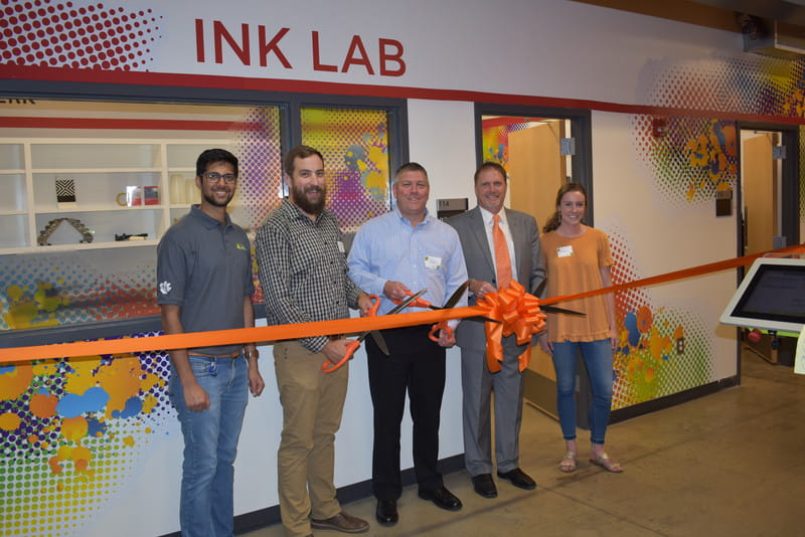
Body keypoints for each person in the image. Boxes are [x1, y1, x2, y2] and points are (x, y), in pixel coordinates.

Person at [255, 145, 371, 537]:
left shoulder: (330, 222)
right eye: (305, 174)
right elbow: (279, 301)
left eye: (319, 173)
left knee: (324, 436)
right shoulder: (275, 229)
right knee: (298, 442)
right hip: (301, 352)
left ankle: (325, 509)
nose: (314, 181)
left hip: (336, 348)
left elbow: (340, 277)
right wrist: (324, 342)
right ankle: (297, 525)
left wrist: (360, 297)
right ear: (289, 181)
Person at [347, 162, 468, 527]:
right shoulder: (372, 231)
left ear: (428, 190)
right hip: (387, 337)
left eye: (421, 185)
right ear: (395, 190)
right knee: (388, 419)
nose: (414, 190)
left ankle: (430, 483)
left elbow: (458, 286)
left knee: (428, 415)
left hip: (431, 335)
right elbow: (353, 270)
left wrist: (451, 324)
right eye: (407, 185)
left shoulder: (447, 235)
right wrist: (384, 285)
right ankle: (387, 493)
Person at [157, 148, 265, 537]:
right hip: (200, 367)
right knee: (201, 466)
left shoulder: (239, 237)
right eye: (214, 176)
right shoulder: (179, 237)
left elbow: (244, 300)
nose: (222, 183)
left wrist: (252, 361)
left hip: (236, 367)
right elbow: (170, 313)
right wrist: (187, 379)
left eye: (229, 177)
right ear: (199, 181)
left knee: (224, 460)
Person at [446, 161, 544, 499]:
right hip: (477, 331)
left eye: (498, 183)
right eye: (485, 184)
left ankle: (509, 463)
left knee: (511, 399)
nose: (492, 189)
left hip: (516, 329)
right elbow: (449, 277)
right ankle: (479, 467)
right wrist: (471, 285)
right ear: (476, 188)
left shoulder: (526, 223)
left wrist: (527, 309)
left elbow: (539, 274)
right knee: (475, 400)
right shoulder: (456, 227)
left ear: (506, 185)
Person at [538, 182, 623, 474]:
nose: (574, 210)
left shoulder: (598, 238)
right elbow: (542, 288)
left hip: (597, 325)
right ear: (559, 207)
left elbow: (607, 284)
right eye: (568, 204)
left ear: (584, 208)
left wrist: (613, 325)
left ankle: (598, 448)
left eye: (579, 205)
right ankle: (570, 449)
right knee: (564, 388)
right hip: (560, 327)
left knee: (603, 390)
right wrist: (541, 329)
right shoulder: (546, 241)